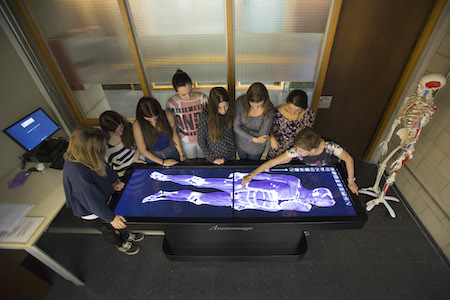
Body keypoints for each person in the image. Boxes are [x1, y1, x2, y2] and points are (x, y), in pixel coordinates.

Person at [63, 126, 143, 255]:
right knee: (108, 230)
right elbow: (92, 202)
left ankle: (125, 234)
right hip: (92, 211)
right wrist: (111, 218)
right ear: (91, 151)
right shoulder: (77, 175)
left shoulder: (89, 157)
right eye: (103, 146)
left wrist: (115, 181)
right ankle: (121, 244)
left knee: (120, 220)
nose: (106, 147)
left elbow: (105, 167)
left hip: (103, 198)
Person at [143, 171, 334, 213]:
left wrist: (248, 206)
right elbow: (268, 177)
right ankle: (165, 178)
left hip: (246, 203)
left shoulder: (305, 207)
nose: (316, 204)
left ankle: (163, 195)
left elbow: (277, 207)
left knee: (198, 198)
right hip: (244, 187)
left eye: (320, 205)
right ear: (318, 192)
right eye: (320, 201)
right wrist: (245, 175)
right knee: (200, 182)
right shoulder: (295, 182)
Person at [241, 128, 359, 195]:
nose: (296, 151)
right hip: (310, 170)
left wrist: (351, 181)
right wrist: (251, 175)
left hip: (330, 168)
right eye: (296, 148)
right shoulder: (297, 149)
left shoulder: (331, 147)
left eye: (300, 151)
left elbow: (348, 159)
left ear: (312, 150)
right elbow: (273, 162)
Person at [166, 69, 208, 159]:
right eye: (183, 95)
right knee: (191, 165)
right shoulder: (171, 103)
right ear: (176, 91)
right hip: (185, 142)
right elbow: (173, 127)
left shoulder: (203, 98)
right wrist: (180, 152)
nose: (188, 97)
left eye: (190, 92)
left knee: (204, 163)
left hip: (203, 139)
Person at [133, 96, 185, 166]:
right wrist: (163, 162)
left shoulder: (167, 114)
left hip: (171, 151)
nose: (153, 121)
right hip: (153, 156)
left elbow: (174, 135)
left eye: (155, 117)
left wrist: (181, 153)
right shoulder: (137, 124)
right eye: (149, 118)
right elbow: (143, 150)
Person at [267, 90, 315, 159]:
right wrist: (272, 138)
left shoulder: (309, 113)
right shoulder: (277, 111)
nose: (292, 112)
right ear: (287, 102)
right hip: (279, 147)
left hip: (299, 149)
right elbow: (270, 127)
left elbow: (308, 133)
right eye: (290, 108)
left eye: (297, 110)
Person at [233, 82, 275, 160]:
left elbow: (262, 135)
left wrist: (242, 129)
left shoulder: (269, 110)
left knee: (253, 168)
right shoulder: (240, 102)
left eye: (259, 105)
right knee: (242, 166)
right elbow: (235, 127)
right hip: (240, 146)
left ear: (265, 99)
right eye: (252, 104)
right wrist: (254, 138)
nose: (255, 108)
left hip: (256, 149)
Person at [99, 110, 145, 177]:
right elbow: (111, 168)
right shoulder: (104, 145)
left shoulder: (128, 127)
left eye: (121, 128)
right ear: (106, 131)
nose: (120, 133)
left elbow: (141, 143)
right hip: (125, 175)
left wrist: (136, 156)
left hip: (140, 165)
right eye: (115, 132)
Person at [197, 87, 235, 165]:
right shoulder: (205, 116)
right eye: (219, 108)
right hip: (215, 157)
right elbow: (201, 140)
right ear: (213, 106)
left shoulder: (230, 112)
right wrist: (212, 158)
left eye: (226, 106)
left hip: (231, 154)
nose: (223, 110)